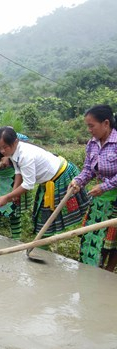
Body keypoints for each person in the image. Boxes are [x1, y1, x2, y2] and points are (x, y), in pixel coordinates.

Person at [0, 127, 89, 238]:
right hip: (48, 180)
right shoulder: (13, 151)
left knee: (51, 219)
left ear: (15, 142)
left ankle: (86, 230)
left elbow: (28, 185)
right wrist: (14, 192)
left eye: (5, 147)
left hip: (62, 176)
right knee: (43, 219)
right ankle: (42, 243)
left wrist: (7, 197)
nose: (2, 151)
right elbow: (18, 171)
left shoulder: (25, 155)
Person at [70, 105, 117, 270]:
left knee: (110, 244)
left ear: (105, 123)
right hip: (100, 199)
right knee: (91, 238)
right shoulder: (92, 144)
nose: (89, 130)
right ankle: (89, 273)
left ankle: (107, 273)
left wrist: (105, 186)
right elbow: (88, 169)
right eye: (87, 126)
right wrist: (78, 181)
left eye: (92, 126)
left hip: (114, 199)